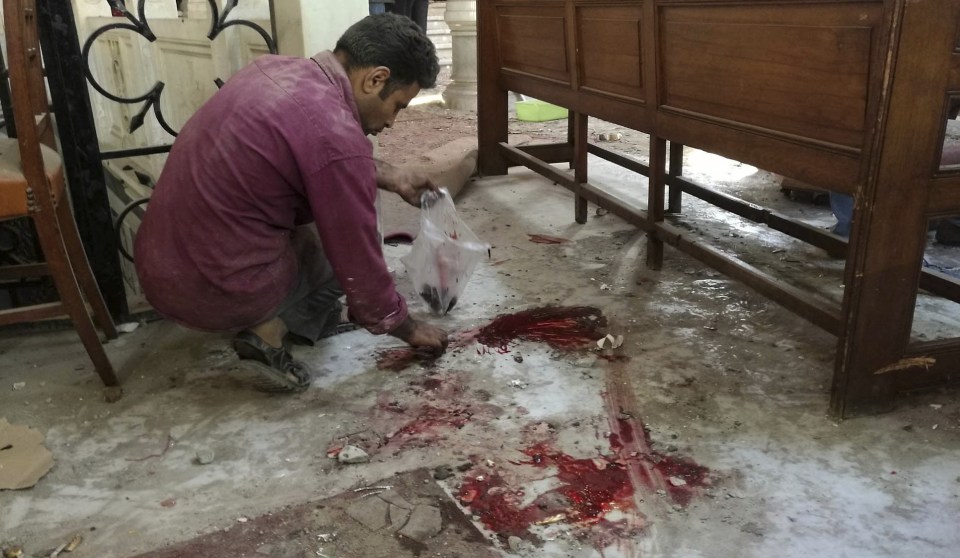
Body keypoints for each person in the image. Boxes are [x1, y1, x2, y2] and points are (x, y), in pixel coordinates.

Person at [134, 14, 448, 392]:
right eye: (398, 105)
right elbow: (359, 266)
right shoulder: (334, 133)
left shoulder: (276, 70)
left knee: (327, 217)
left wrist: (394, 175)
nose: (393, 122)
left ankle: (281, 311)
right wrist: (407, 327)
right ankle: (267, 333)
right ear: (375, 79)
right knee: (347, 255)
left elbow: (321, 152)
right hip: (206, 288)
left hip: (161, 266)